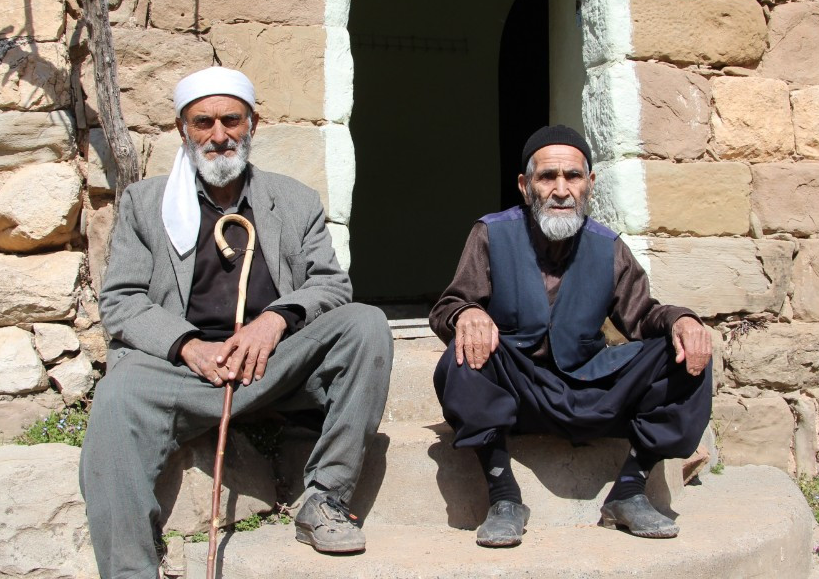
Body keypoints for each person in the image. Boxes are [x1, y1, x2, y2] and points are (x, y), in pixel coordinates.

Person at [80, 66, 393, 577]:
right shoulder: (145, 204)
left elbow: (332, 285)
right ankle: (129, 571)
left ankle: (325, 500)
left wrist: (274, 321)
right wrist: (186, 346)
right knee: (117, 398)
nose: (218, 135)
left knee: (365, 325)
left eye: (231, 120)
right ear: (183, 129)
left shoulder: (294, 200)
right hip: (185, 371)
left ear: (253, 124)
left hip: (274, 365)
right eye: (203, 122)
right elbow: (120, 300)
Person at [431, 125, 712, 548]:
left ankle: (630, 490)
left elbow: (642, 316)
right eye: (548, 177)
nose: (561, 189)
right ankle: (504, 497)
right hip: (518, 391)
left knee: (687, 352)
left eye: (573, 177)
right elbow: (447, 307)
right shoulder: (491, 234)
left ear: (590, 185)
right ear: (526, 186)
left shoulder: (608, 247)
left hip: (591, 390)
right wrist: (468, 312)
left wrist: (682, 321)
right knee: (461, 356)